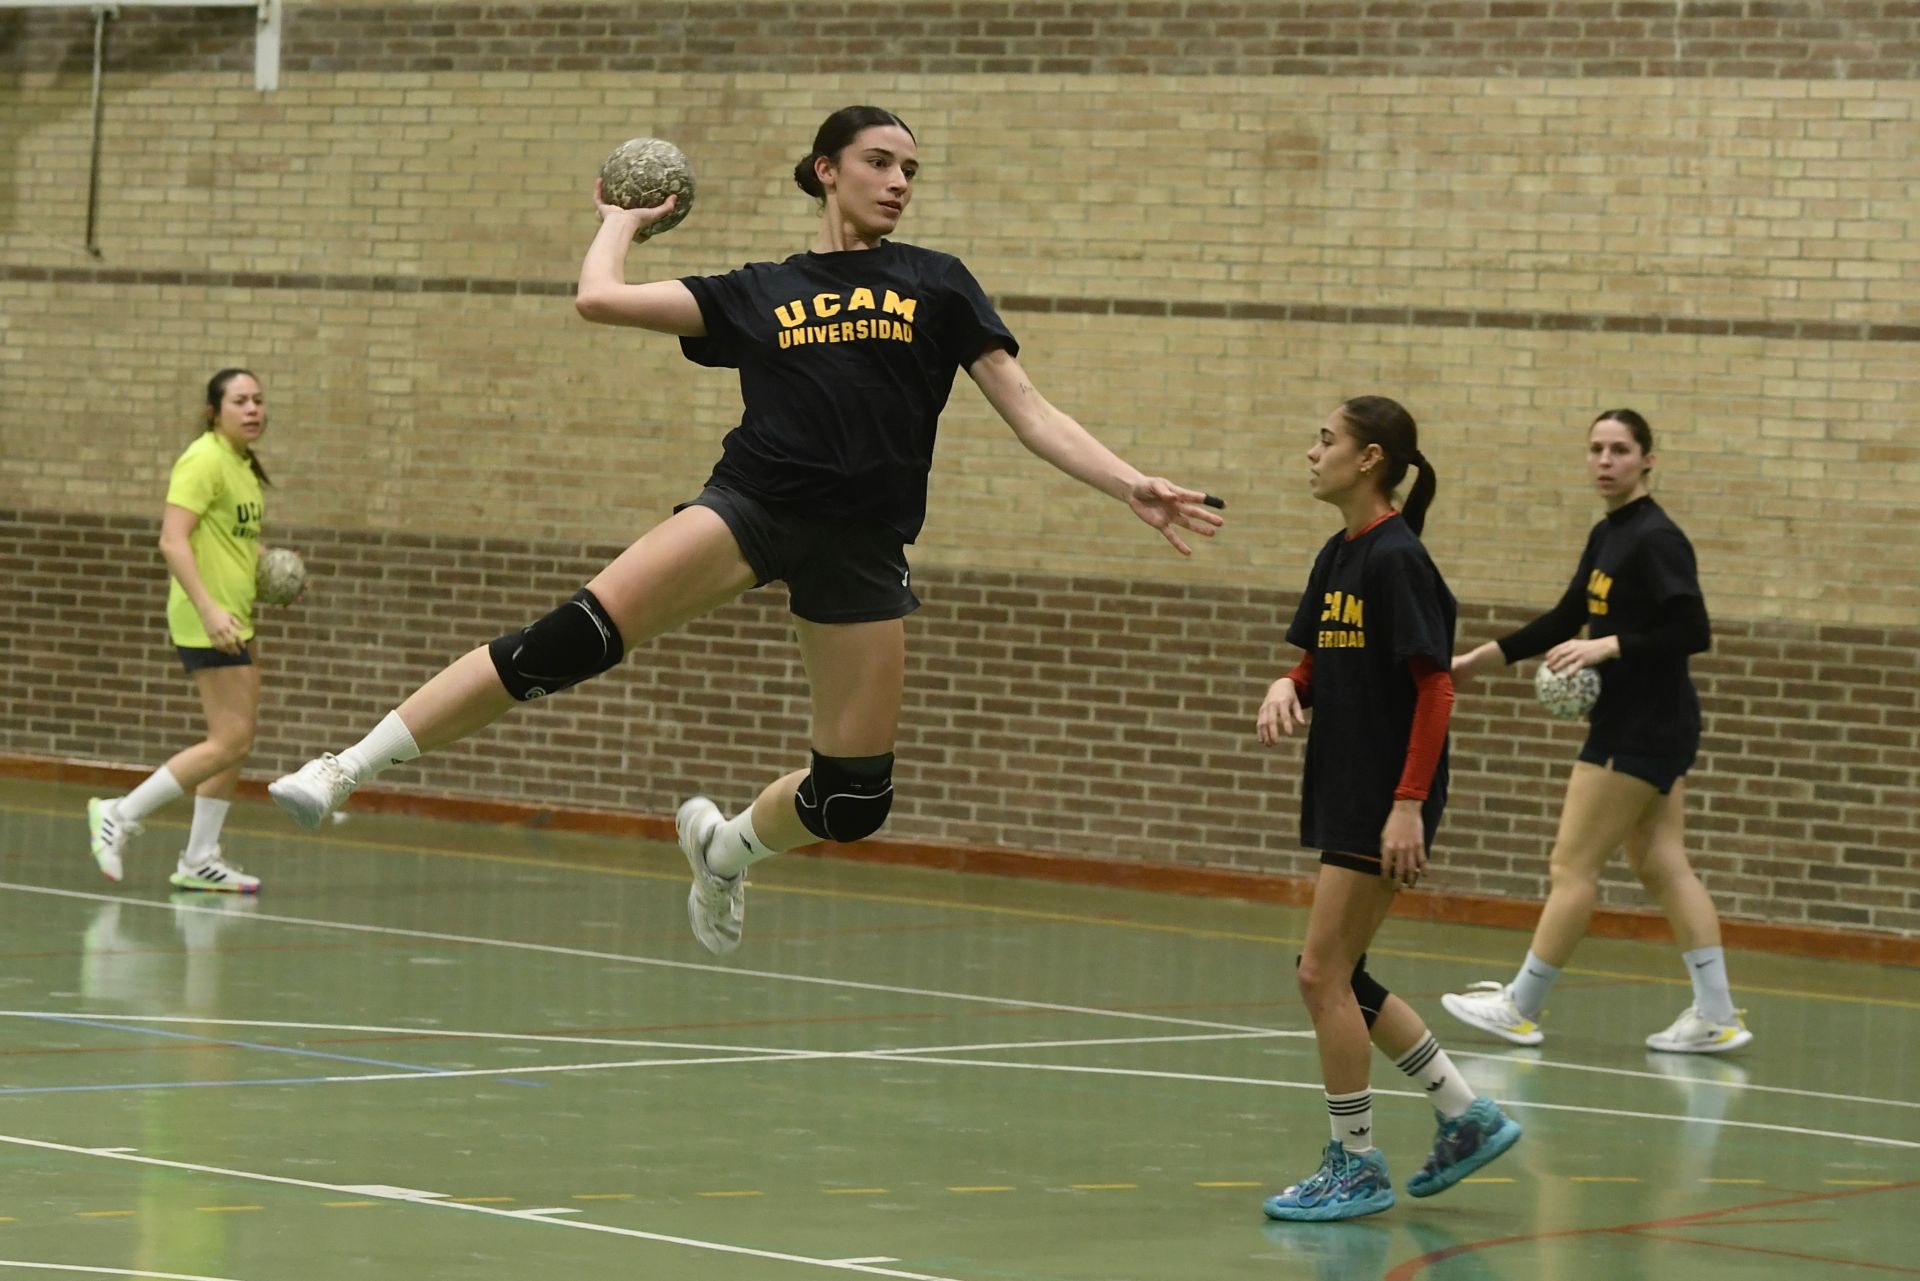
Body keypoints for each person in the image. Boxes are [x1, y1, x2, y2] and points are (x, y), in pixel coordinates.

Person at [267, 105, 1225, 952]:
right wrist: (618, 222)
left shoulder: (937, 283)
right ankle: (346, 764)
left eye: (910, 171)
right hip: (753, 508)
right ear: (827, 170)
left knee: (853, 800)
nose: (897, 183)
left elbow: (1031, 409)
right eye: (880, 163)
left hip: (862, 542)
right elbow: (598, 299)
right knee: (568, 640)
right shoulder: (759, 290)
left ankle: (726, 848)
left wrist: (1128, 482)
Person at [1257, 396, 1520, 1223]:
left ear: (1369, 458)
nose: (1311, 451)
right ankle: (1465, 1114)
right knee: (1348, 976)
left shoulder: (1398, 558)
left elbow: (1434, 684)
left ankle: (1356, 1163)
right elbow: (1319, 658)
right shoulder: (1339, 553)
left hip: (1383, 796)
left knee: (1319, 973)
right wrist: (1287, 683)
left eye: (1325, 439)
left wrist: (1408, 804)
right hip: (1347, 785)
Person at [1441, 409, 1751, 1055]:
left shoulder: (1657, 537)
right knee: (1662, 863)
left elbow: (1693, 630)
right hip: (1649, 723)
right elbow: (1565, 615)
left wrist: (1608, 645)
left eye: (1620, 449)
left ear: (1647, 460)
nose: (1605, 460)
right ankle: (1717, 1014)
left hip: (1641, 725)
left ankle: (1520, 1006)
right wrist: (1482, 658)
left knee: (1572, 865)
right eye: (1596, 449)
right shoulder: (1607, 534)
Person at [84, 368, 278, 893]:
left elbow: (232, 539)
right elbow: (173, 540)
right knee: (229, 739)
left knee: (237, 741)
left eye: (259, 400)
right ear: (215, 411)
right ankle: (120, 813)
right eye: (240, 401)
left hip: (236, 614)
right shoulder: (204, 458)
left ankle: (198, 858)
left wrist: (270, 565)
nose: (253, 409)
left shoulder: (241, 465)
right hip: (206, 617)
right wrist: (211, 610)